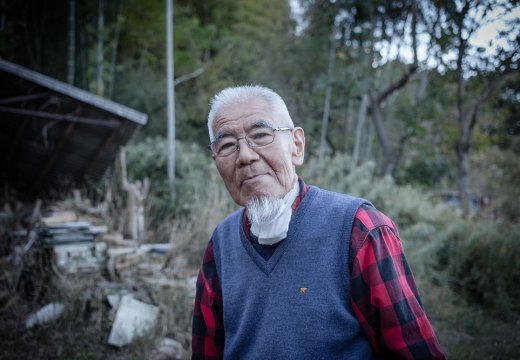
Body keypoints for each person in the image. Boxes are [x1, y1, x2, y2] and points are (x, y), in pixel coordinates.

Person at [192, 85, 446, 360]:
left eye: (261, 135)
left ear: (296, 146)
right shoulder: (221, 244)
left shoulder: (359, 229)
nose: (244, 156)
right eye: (227, 145)